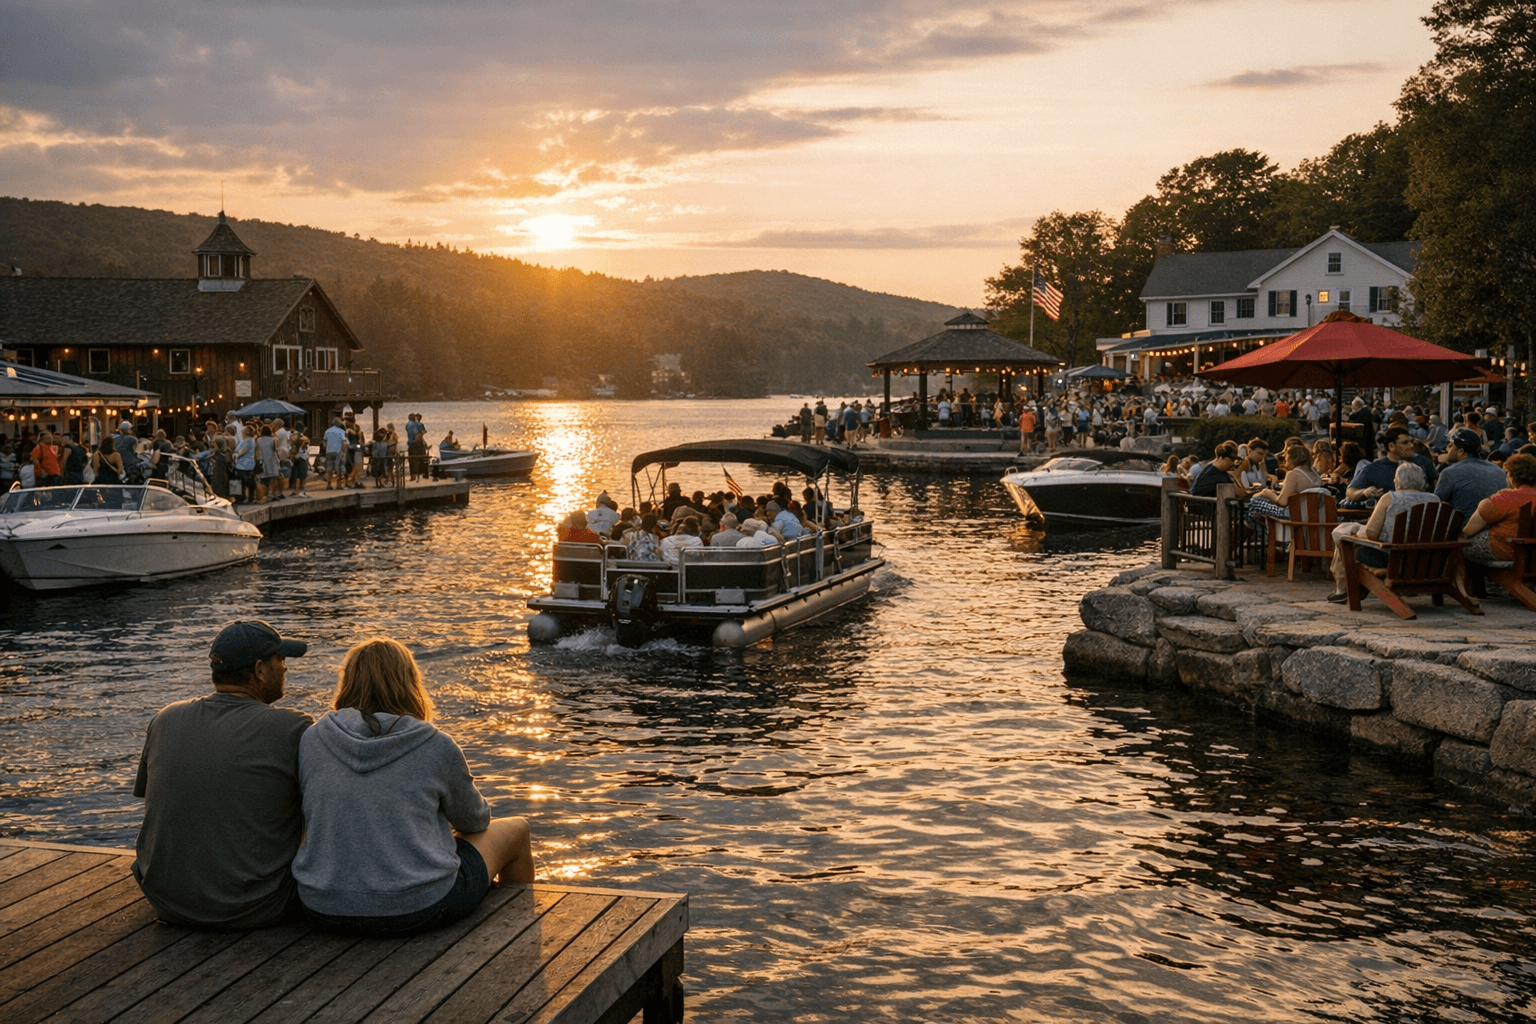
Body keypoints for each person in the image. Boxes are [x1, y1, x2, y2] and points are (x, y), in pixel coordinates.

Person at [292, 639, 533, 936]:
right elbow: (475, 820)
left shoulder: (312, 739)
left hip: (322, 906)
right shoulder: (434, 743)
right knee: (518, 830)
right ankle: (517, 935)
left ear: (348, 682)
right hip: (418, 907)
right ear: (410, 682)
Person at [132, 621, 313, 928]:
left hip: (168, 902)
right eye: (280, 659)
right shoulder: (293, 727)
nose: (285, 668)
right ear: (259, 670)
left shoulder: (165, 719)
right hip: (259, 906)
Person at [1328, 462, 1441, 602]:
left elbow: (1371, 533)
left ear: (1398, 481)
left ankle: (1344, 588)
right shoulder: (1434, 499)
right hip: (1427, 562)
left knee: (1350, 543)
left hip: (1392, 561)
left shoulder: (1390, 498)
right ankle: (1354, 587)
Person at [1461, 453, 1536, 567]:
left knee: (1459, 545)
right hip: (1532, 554)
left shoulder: (1507, 498)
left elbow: (1469, 531)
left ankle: (1461, 579)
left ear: (1511, 476)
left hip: (1507, 550)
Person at [1434, 428, 1507, 519]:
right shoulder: (1498, 470)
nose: (1447, 447)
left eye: (1451, 445)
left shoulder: (1449, 472)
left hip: (1466, 526)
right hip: (1499, 524)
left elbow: (1435, 506)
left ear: (1461, 452)